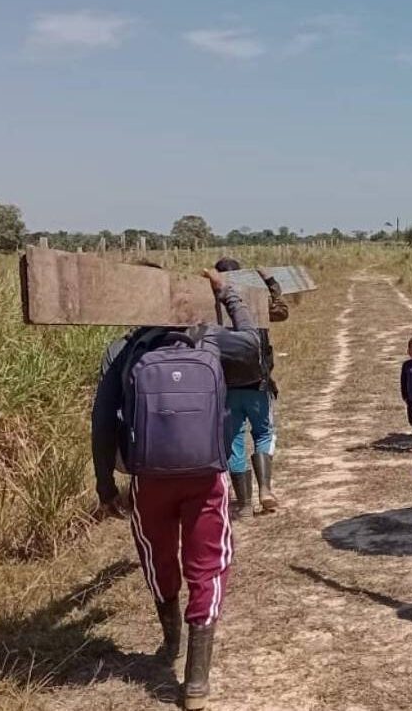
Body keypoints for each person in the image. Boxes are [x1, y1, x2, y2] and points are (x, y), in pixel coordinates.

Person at [92, 268, 261, 711]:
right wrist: (228, 294)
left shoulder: (123, 349)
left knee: (158, 555)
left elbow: (103, 417)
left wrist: (105, 482)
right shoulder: (208, 340)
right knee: (208, 565)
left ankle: (170, 642)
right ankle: (196, 682)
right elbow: (253, 343)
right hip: (206, 475)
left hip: (148, 478)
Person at [213, 257, 289, 518]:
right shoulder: (255, 303)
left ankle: (244, 504)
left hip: (226, 387)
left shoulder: (209, 307)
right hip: (258, 383)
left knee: (233, 441)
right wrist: (270, 281)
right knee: (264, 434)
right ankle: (265, 490)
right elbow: (282, 310)